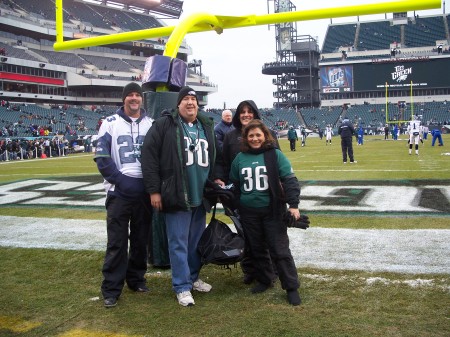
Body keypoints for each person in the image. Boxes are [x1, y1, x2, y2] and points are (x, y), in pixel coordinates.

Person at [141, 86, 216, 307]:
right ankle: (181, 286)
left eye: (194, 99)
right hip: (177, 194)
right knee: (178, 243)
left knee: (195, 243)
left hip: (200, 196)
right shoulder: (165, 124)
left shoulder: (206, 125)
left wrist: (215, 182)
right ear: (178, 104)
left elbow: (215, 156)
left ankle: (192, 278)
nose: (191, 103)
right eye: (186, 99)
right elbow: (149, 156)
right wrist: (154, 190)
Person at [229, 120, 302, 306]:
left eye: (258, 135)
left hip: (272, 211)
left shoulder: (275, 155)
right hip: (249, 213)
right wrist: (237, 204)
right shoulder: (239, 158)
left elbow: (290, 179)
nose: (255, 139)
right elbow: (235, 185)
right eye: (251, 135)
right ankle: (265, 279)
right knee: (257, 248)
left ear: (265, 136)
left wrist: (293, 205)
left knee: (279, 249)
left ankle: (291, 286)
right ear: (246, 138)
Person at [94, 82, 153, 308]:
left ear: (142, 99)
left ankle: (136, 279)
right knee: (117, 242)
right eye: (130, 95)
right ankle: (111, 288)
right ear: (124, 99)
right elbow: (102, 158)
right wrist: (120, 181)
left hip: (144, 192)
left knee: (140, 240)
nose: (134, 98)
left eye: (137, 94)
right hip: (119, 192)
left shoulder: (151, 124)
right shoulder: (109, 123)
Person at [214, 99, 279, 285]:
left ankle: (272, 270)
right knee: (246, 235)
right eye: (242, 111)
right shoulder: (230, 136)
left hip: (264, 195)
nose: (246, 115)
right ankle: (250, 270)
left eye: (250, 111)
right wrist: (220, 179)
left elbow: (277, 163)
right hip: (239, 196)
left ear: (255, 114)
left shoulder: (268, 134)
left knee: (267, 235)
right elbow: (222, 162)